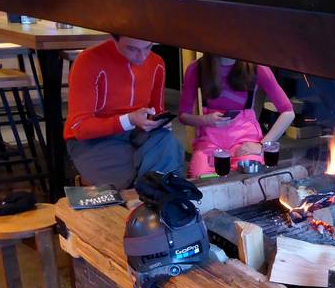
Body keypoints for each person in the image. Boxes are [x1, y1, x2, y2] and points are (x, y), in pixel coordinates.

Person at [65, 35, 184, 189]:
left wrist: (158, 122)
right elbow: (79, 127)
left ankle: (159, 192)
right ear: (113, 39)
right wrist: (128, 120)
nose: (142, 57)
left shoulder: (157, 63)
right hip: (94, 139)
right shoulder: (88, 61)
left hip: (139, 132)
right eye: (132, 49)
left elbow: (156, 110)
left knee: (167, 151)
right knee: (125, 187)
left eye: (148, 47)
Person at [179, 54, 294, 177]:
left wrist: (261, 145)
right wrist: (205, 120)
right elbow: (183, 116)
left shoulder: (257, 68)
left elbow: (288, 112)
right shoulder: (197, 68)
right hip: (210, 140)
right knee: (199, 177)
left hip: (245, 139)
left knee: (248, 176)